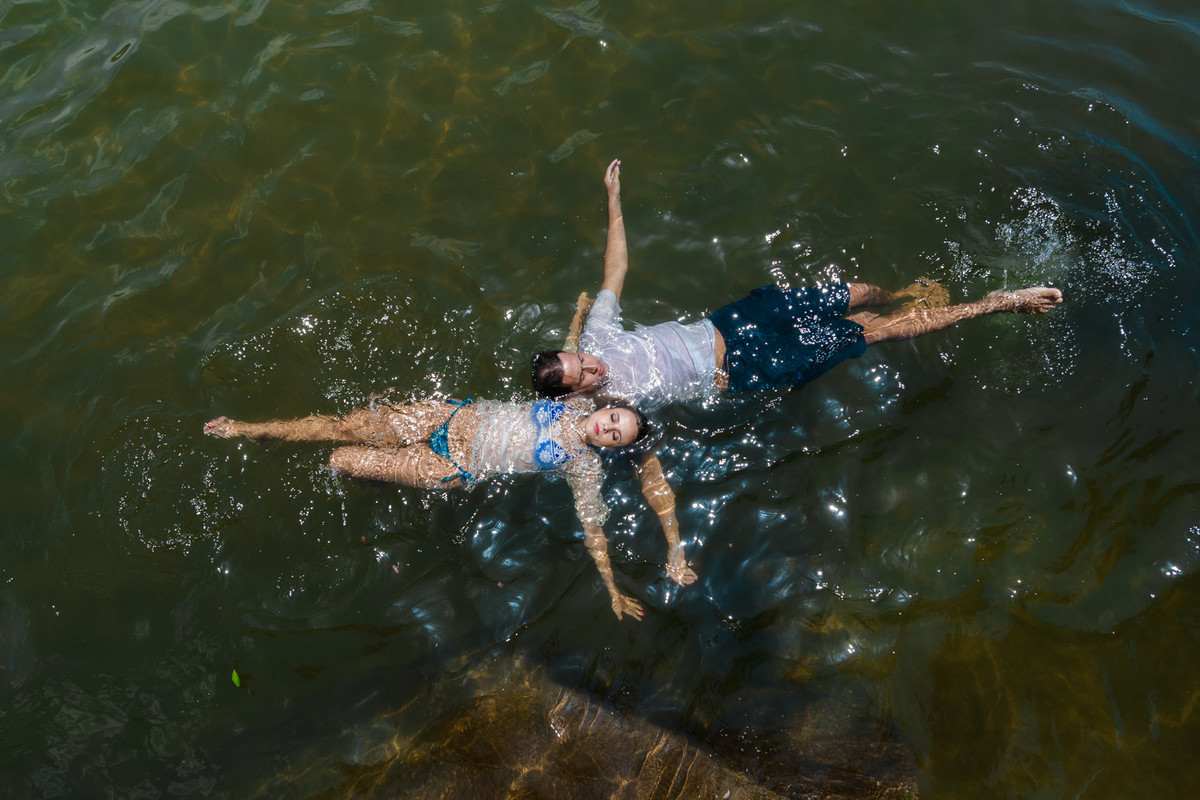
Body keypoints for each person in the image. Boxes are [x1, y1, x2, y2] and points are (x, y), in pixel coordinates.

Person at [531, 159, 1065, 577]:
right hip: (747, 364)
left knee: (852, 293)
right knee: (875, 332)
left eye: (583, 359)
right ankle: (999, 303)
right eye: (586, 374)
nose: (595, 365)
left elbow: (615, 265)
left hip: (732, 320)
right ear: (577, 393)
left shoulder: (597, 334)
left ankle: (902, 294)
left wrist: (614, 200)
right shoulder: (609, 412)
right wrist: (674, 545)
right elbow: (650, 472)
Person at [204, 395, 651, 621]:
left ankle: (371, 479)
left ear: (612, 448)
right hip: (449, 416)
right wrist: (579, 309)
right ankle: (252, 429)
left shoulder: (584, 467)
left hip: (448, 464)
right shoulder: (572, 401)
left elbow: (594, 525)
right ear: (608, 407)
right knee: (348, 426)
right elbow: (570, 352)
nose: (607, 428)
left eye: (616, 436)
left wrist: (610, 588)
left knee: (339, 460)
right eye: (614, 419)